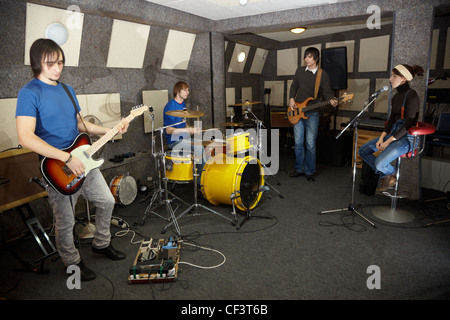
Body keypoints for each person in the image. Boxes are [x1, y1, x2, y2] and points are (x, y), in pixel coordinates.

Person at [16, 38, 129, 281]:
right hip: (58, 167)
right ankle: (72, 262)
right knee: (65, 222)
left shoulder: (67, 89)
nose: (57, 68)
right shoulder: (29, 92)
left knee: (107, 201)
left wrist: (111, 129)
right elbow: (25, 137)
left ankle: (101, 243)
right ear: (37, 63)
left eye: (60, 62)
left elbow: (80, 124)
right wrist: (67, 158)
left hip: (83, 159)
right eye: (50, 64)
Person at [358, 64, 424, 192]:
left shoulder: (412, 96)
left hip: (407, 139)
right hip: (394, 134)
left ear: (404, 78)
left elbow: (407, 126)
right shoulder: (395, 97)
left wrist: (387, 141)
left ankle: (389, 173)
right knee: (363, 151)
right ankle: (388, 174)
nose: (390, 79)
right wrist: (381, 138)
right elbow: (391, 121)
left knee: (378, 163)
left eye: (394, 76)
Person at [288, 47, 338, 181]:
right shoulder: (299, 71)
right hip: (297, 111)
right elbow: (294, 86)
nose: (306, 59)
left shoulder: (323, 74)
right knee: (298, 143)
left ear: (316, 59)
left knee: (310, 144)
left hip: (313, 113)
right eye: (305, 56)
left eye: (309, 57)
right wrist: (292, 98)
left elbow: (327, 93)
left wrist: (332, 100)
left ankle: (309, 171)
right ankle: (299, 168)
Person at [163, 81, 205, 182]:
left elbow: (183, 122)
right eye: (185, 90)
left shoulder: (182, 104)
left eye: (188, 90)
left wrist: (191, 129)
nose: (188, 92)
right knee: (199, 148)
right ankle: (201, 183)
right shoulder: (170, 106)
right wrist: (187, 130)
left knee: (204, 142)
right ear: (178, 91)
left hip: (183, 139)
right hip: (174, 142)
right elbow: (168, 130)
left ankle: (200, 175)